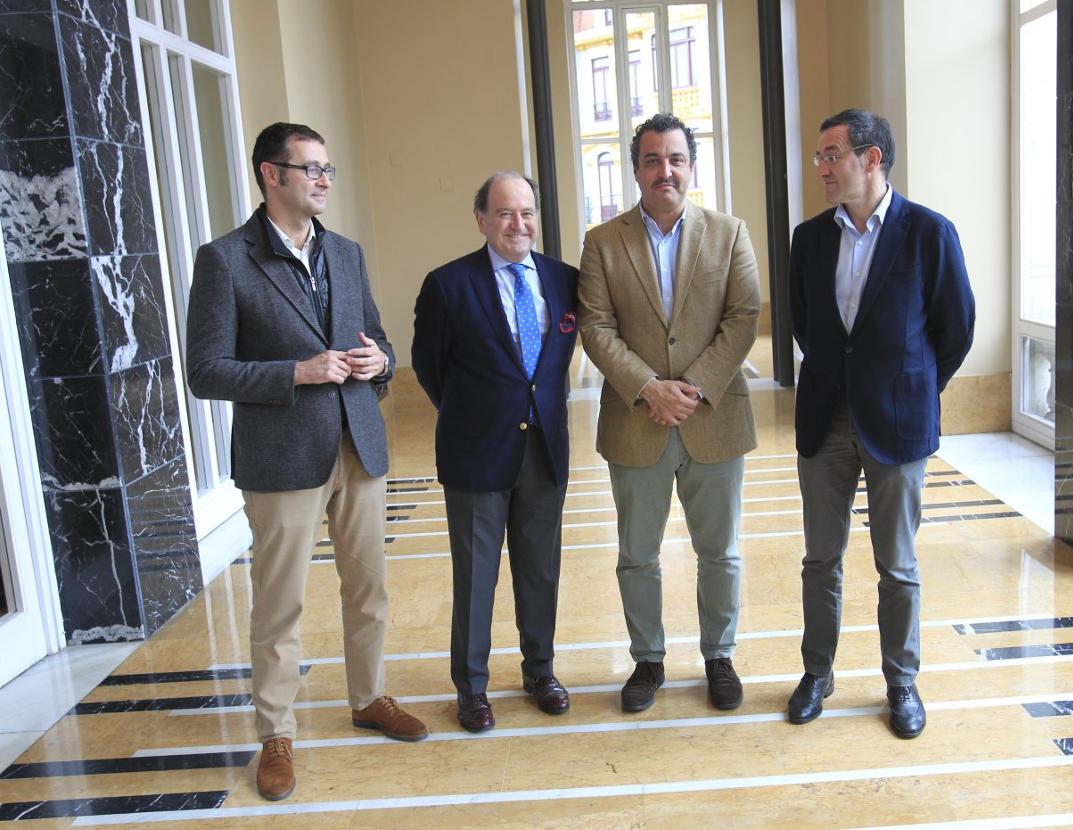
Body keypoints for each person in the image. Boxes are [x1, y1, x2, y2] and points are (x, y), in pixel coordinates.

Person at [186, 123, 426, 801]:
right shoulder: (226, 260)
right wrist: (296, 372)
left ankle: (369, 695)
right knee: (280, 604)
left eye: (327, 169)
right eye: (310, 168)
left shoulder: (346, 254)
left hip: (359, 446)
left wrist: (382, 361)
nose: (323, 179)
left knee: (369, 587)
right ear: (271, 174)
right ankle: (275, 732)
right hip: (281, 456)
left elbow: (375, 338)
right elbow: (204, 371)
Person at [786, 109, 975, 737]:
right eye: (818, 157)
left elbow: (955, 330)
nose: (822, 168)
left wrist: (910, 387)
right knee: (821, 560)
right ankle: (818, 673)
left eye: (831, 154)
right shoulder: (809, 238)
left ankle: (902, 683)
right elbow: (805, 326)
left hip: (897, 425)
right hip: (824, 421)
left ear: (872, 158)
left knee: (897, 565)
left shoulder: (929, 233)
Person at [579, 113, 760, 713]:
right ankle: (647, 660)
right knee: (637, 554)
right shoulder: (603, 241)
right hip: (636, 419)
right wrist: (649, 387)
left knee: (721, 551)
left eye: (675, 158)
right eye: (652, 159)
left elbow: (743, 317)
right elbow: (596, 327)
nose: (665, 170)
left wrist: (694, 386)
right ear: (636, 170)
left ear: (691, 166)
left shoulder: (729, 233)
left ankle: (719, 656)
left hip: (714, 418)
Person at [412, 172, 579, 733]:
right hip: (477, 454)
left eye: (527, 212)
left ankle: (541, 672)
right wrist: (478, 414)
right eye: (505, 213)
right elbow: (432, 371)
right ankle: (473, 689)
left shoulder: (564, 280)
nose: (518, 224)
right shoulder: (448, 285)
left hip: (545, 452)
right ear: (481, 219)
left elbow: (553, 368)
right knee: (477, 577)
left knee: (540, 572)